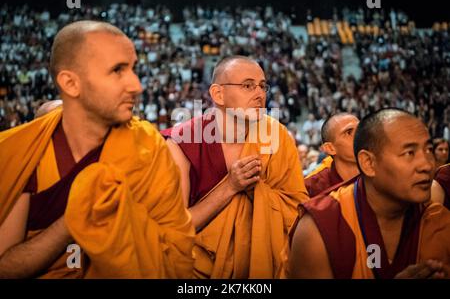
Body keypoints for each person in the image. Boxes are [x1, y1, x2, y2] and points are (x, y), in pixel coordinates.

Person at [0, 20, 194, 279]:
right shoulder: (25, 151)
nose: (136, 85)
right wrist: (72, 222)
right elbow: (5, 266)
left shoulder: (147, 147)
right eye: (117, 70)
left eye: (133, 69)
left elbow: (176, 255)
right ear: (70, 84)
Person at [161, 55, 309, 278]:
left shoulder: (277, 137)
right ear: (218, 94)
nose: (260, 94)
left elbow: (296, 212)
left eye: (262, 86)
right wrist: (230, 186)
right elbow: (176, 228)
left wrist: (259, 194)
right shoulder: (182, 142)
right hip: (198, 271)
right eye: (248, 86)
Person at [287, 108, 450, 279]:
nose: (426, 165)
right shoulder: (319, 226)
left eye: (428, 150)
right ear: (368, 163)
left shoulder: (438, 222)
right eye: (409, 153)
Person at [304, 113, 360, 197]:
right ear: (330, 148)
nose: (361, 136)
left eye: (360, 130)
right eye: (348, 132)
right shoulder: (311, 188)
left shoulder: (380, 172)